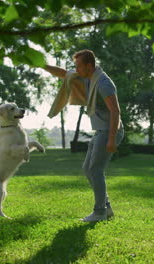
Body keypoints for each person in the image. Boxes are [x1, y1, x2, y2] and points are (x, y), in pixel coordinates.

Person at [42, 49, 124, 222]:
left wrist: (111, 139)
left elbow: (115, 111)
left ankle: (99, 212)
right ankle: (106, 208)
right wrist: (42, 65)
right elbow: (64, 74)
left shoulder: (103, 83)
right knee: (88, 169)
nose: (76, 69)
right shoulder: (87, 77)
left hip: (109, 130)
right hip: (100, 130)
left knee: (96, 169)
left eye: (78, 66)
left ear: (89, 65)